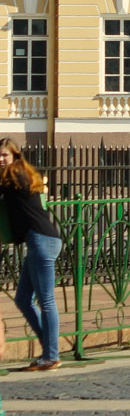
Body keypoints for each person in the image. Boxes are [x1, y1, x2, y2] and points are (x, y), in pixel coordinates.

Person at [0, 138, 63, 371]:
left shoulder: (14, 175)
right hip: (41, 239)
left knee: (46, 300)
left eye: (4, 155)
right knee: (23, 299)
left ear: (15, 156)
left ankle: (51, 355)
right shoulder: (23, 174)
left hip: (41, 240)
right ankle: (48, 349)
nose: (0, 160)